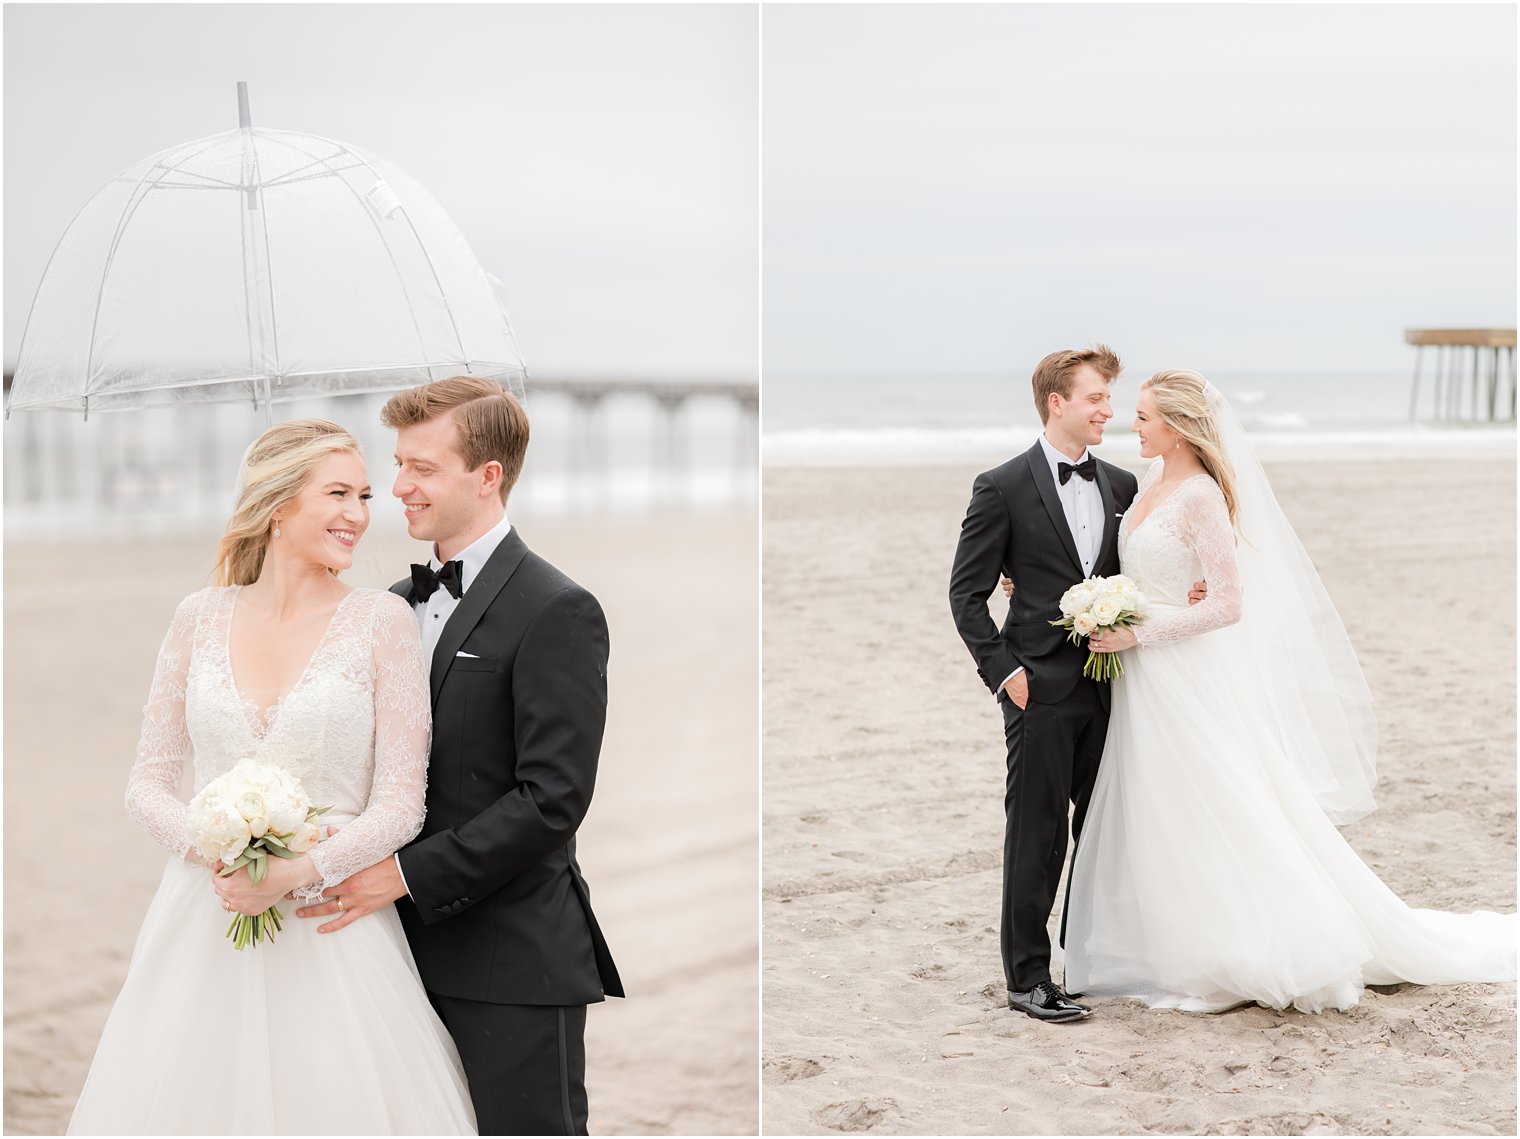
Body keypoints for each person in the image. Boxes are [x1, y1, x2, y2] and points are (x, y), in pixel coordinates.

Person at [1063, 370, 1517, 1013]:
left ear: (1178, 426)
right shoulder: (1142, 490)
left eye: (1142, 417)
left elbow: (1227, 604)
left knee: (1216, 801)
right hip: (1145, 680)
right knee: (1162, 806)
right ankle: (1179, 944)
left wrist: (1141, 633)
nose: (1130, 426)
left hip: (1183, 672)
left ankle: (1251, 946)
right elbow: (1139, 573)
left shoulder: (1200, 496)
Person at [69, 419, 476, 1134]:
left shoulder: (381, 621)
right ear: (278, 503)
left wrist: (298, 869)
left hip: (331, 924)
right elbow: (148, 783)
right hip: (205, 911)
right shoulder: (197, 618)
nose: (359, 514)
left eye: (365, 495)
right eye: (339, 493)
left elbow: (401, 803)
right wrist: (219, 851)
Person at [292, 377, 623, 1135]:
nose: (399, 487)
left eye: (423, 468)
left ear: (488, 474)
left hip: (509, 961)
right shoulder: (384, 608)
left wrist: (403, 875)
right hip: (385, 957)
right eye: (399, 464)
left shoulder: (557, 609)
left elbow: (552, 798)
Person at [948, 345, 1141, 1023]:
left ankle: (1084, 961)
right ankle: (1027, 978)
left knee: (1101, 830)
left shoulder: (1122, 486)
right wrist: (1005, 674)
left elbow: (1138, 573)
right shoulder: (999, 486)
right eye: (1096, 397)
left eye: (1111, 399)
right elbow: (966, 594)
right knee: (1037, 835)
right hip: (1037, 690)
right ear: (1057, 402)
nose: (1107, 410)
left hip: (1112, 686)